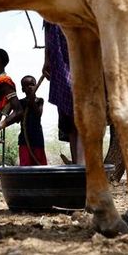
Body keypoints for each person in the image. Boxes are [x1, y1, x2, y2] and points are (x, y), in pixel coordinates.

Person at [41, 20, 83, 164]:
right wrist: (46, 59)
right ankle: (78, 164)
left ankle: (85, 164)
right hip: (59, 59)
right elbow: (47, 28)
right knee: (68, 112)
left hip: (81, 53)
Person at [17, 75, 47, 166]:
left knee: (39, 164)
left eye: (32, 84)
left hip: (37, 138)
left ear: (36, 86)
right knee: (25, 164)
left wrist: (32, 101)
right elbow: (17, 118)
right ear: (22, 89)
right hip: (24, 140)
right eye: (26, 85)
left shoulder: (39, 101)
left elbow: (38, 114)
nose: (30, 87)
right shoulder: (20, 103)